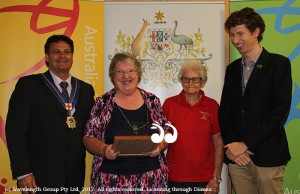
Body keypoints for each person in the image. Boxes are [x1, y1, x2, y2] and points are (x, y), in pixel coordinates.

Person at [6, 34, 95, 193]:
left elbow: (93, 127)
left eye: (67, 52)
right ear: (47, 57)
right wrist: (23, 172)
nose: (62, 56)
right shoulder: (29, 85)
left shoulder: (86, 90)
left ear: (72, 57)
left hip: (74, 174)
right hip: (39, 175)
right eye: (56, 52)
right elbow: (15, 131)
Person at [219, 7, 292, 194]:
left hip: (268, 156)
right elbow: (225, 111)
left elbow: (279, 113)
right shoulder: (233, 69)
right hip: (237, 158)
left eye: (240, 34)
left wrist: (245, 144)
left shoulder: (279, 64)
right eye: (232, 35)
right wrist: (233, 146)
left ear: (256, 31)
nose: (235, 40)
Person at [83, 52, 170, 193]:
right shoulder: (102, 103)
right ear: (113, 76)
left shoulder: (152, 101)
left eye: (130, 70)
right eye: (120, 71)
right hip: (110, 180)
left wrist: (160, 146)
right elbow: (88, 138)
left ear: (138, 74)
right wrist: (104, 149)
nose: (126, 76)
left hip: (151, 179)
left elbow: (166, 132)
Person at [163, 59, 223, 194]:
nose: (190, 83)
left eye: (195, 79)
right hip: (176, 176)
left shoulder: (212, 106)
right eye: (186, 79)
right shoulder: (169, 104)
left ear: (203, 82)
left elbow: (218, 142)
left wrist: (216, 178)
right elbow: (162, 140)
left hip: (206, 178)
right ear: (181, 80)